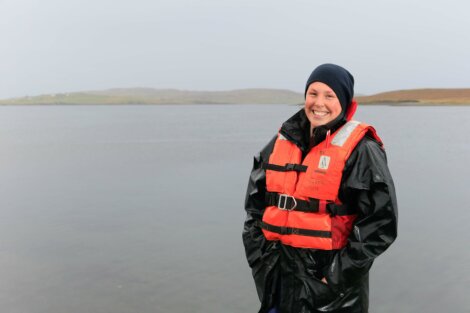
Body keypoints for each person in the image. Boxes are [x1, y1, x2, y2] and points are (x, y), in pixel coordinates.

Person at [242, 63, 398, 313]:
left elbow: (381, 225)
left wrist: (334, 278)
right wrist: (259, 259)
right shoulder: (279, 143)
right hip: (278, 281)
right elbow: (254, 208)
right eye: (313, 93)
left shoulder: (362, 150)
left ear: (345, 102)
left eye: (329, 95)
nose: (319, 103)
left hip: (331, 294)